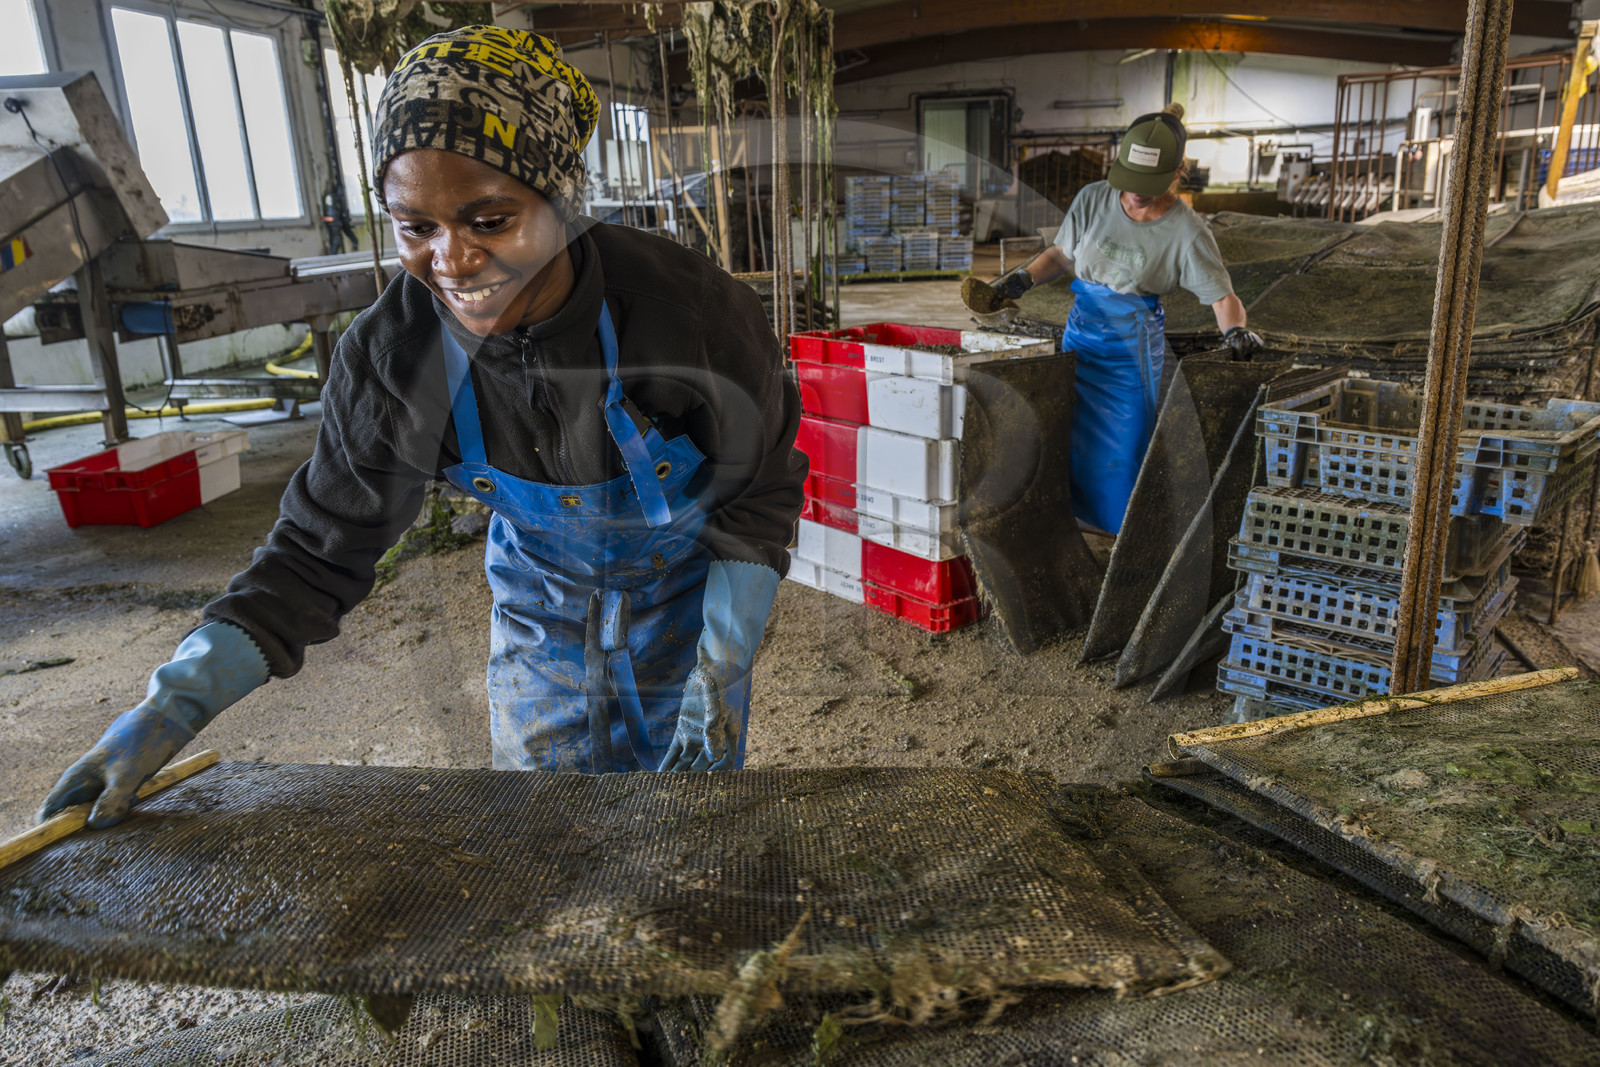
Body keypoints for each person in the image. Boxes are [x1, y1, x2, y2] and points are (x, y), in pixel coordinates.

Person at [39, 26, 806, 829]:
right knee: (547, 833)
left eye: (490, 219)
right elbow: (315, 554)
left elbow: (758, 490)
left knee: (687, 830)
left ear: (564, 202)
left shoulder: (685, 311)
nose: (453, 260)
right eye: (416, 227)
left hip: (688, 605)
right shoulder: (393, 359)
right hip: (542, 609)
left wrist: (719, 665)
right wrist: (173, 705)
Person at [970, 104, 1262, 535]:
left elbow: (1222, 298)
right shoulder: (1093, 199)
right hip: (1081, 336)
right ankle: (1075, 523)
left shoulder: (1188, 232)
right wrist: (1018, 282)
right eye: (1130, 182)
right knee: (1071, 436)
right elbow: (1060, 255)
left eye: (1148, 185)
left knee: (1123, 452)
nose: (1135, 194)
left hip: (1131, 351)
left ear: (1177, 172)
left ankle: (1122, 533)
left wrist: (1236, 330)